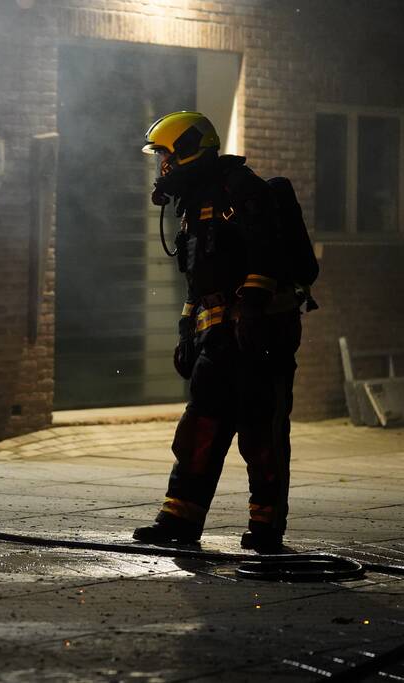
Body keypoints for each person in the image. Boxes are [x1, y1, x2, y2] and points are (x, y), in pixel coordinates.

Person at [134, 111, 310, 553]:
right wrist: (185, 331)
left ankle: (266, 527)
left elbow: (266, 253)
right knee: (200, 427)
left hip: (261, 336)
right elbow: (200, 280)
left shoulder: (241, 189)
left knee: (260, 432)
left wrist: (251, 310)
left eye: (167, 156)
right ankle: (179, 518)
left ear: (190, 147)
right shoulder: (193, 204)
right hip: (216, 338)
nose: (164, 167)